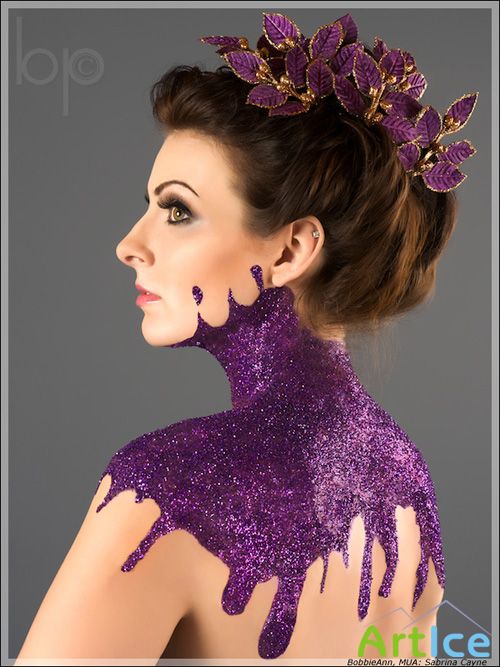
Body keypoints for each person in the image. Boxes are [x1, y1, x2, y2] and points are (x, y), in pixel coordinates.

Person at [16, 11, 478, 663]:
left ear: (291, 249)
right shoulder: (405, 475)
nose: (129, 245)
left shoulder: (167, 485)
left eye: (177, 210)